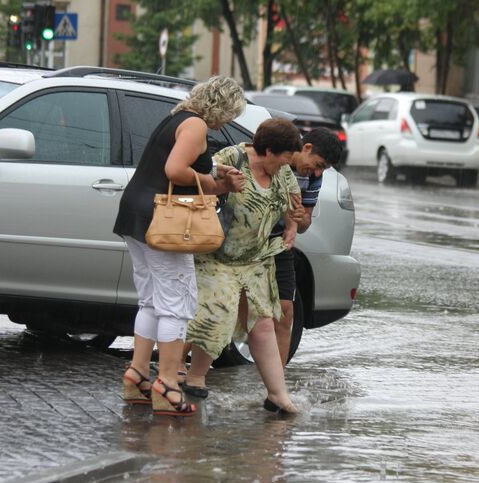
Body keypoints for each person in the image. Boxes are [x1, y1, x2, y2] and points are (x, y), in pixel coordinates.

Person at [113, 76, 247, 416]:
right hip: (164, 221)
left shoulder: (176, 118)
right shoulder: (196, 125)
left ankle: (138, 375)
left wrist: (215, 172)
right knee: (177, 304)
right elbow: (175, 169)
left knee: (151, 301)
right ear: (220, 106)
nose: (226, 123)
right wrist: (213, 182)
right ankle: (168, 384)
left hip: (138, 215)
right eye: (229, 115)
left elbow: (172, 163)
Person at [183, 118, 303, 414]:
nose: (287, 164)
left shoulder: (283, 171)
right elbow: (196, 183)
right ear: (269, 150)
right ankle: (193, 376)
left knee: (262, 323)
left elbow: (294, 204)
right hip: (217, 255)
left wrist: (292, 227)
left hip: (255, 258)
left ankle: (277, 394)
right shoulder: (232, 158)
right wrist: (223, 183)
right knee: (217, 312)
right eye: (285, 157)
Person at [271, 128, 343, 366]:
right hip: (250, 245)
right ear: (307, 148)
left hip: (281, 245)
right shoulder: (275, 159)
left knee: (285, 312)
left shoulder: (313, 176)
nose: (318, 172)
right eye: (318, 164)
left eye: (324, 169)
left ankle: (277, 385)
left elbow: (304, 224)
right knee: (225, 307)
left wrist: (300, 217)